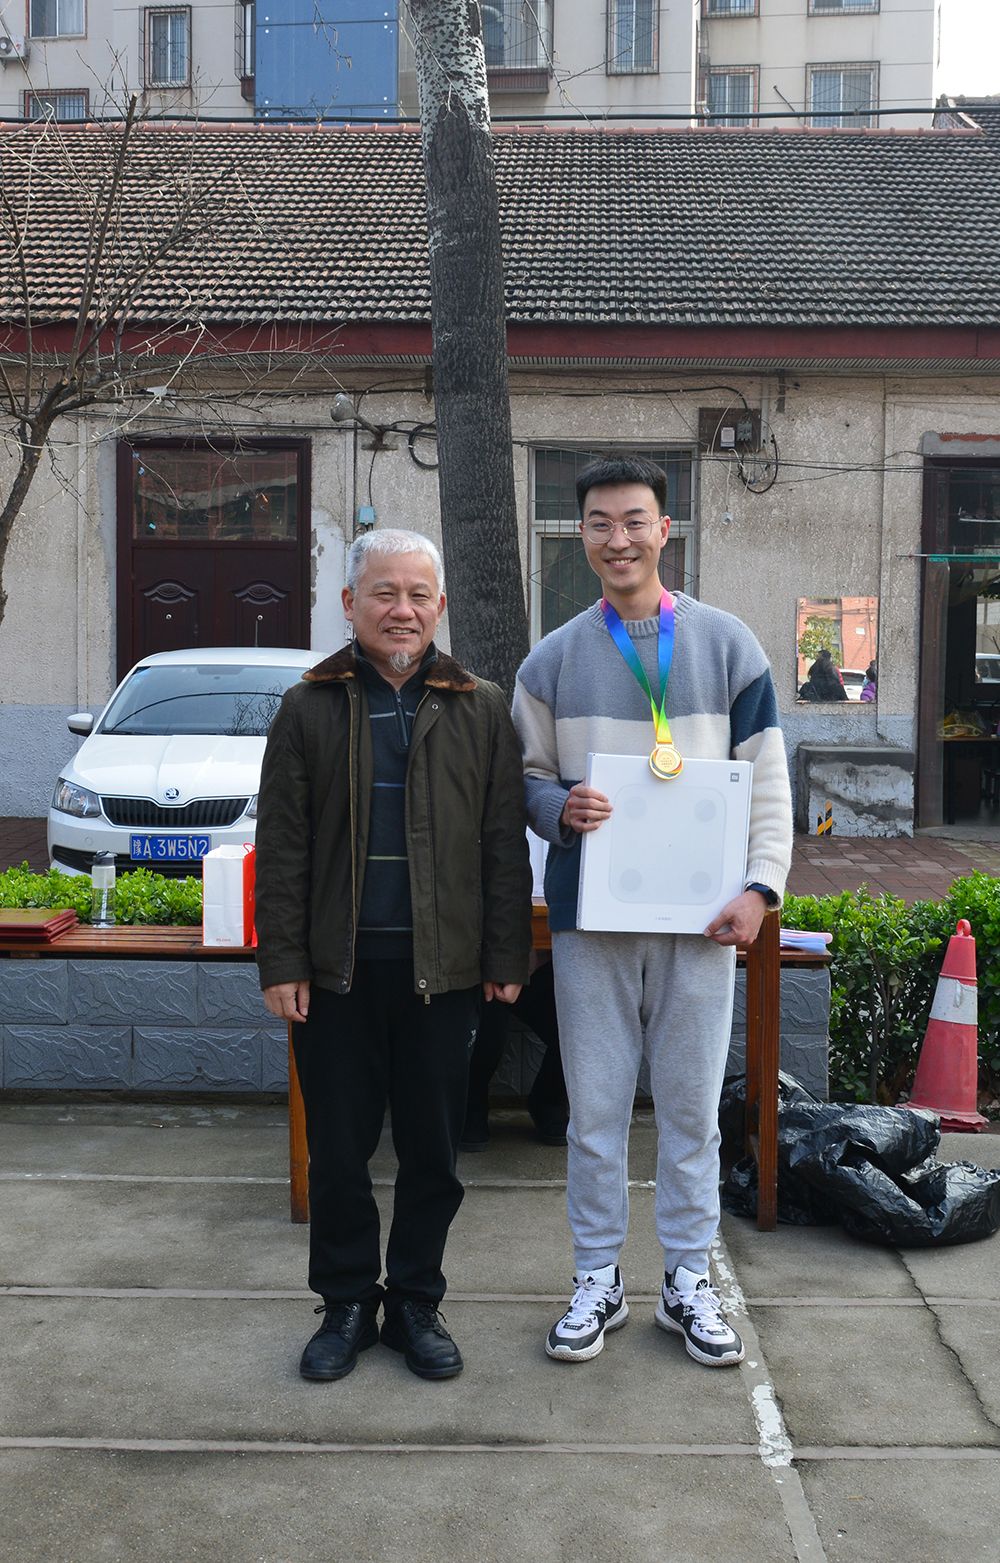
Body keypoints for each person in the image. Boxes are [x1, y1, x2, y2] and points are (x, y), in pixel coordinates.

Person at [513, 454, 792, 1370]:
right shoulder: (551, 659)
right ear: (581, 535)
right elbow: (525, 776)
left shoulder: (729, 647)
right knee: (593, 1114)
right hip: (593, 920)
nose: (618, 538)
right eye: (599, 522)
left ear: (664, 530)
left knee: (691, 1113)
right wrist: (560, 807)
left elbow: (768, 781)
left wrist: (761, 888)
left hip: (700, 922)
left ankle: (686, 1278)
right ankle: (597, 1276)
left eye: (635, 520)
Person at [255, 528, 531, 1384]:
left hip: (443, 975)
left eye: (417, 594)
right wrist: (282, 961)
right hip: (336, 974)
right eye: (384, 592)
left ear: (440, 606)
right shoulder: (308, 706)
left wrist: (506, 953)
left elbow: (502, 844)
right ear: (350, 604)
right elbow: (284, 845)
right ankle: (346, 1302)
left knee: (432, 1153)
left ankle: (415, 1299)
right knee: (338, 1154)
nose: (401, 609)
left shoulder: (481, 707)